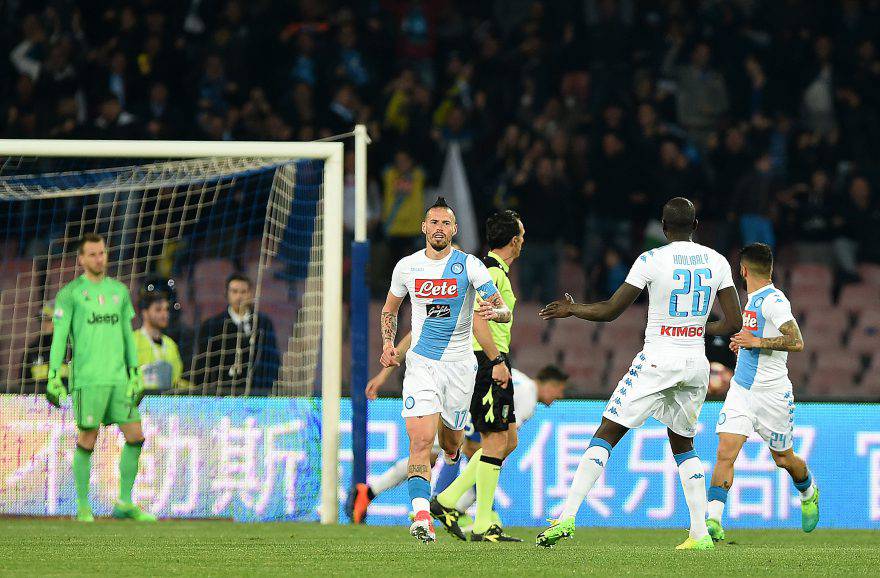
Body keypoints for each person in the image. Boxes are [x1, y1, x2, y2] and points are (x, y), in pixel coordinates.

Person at [536, 197, 742, 550]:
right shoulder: (717, 261)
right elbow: (734, 322)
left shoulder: (651, 259)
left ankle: (567, 515)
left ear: (663, 227)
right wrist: (695, 328)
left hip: (658, 359)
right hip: (695, 364)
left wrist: (573, 308)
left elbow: (610, 311)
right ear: (696, 226)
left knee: (608, 430)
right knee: (683, 443)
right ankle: (699, 532)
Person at [378, 196, 510, 543]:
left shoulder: (469, 266)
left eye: (446, 223)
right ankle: (422, 516)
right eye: (433, 222)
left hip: (460, 369)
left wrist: (495, 313)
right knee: (420, 441)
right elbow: (390, 309)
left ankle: (451, 451)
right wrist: (388, 345)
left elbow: (502, 309)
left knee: (450, 441)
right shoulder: (407, 267)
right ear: (424, 227)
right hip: (421, 365)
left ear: (455, 229)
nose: (439, 228)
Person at [348, 355, 566, 528]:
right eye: (560, 390)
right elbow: (500, 440)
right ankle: (447, 508)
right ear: (550, 384)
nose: (559, 397)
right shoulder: (528, 397)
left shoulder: (519, 379)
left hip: (459, 401)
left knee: (431, 457)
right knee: (487, 462)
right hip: (465, 412)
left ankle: (370, 493)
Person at [706, 243, 819, 541]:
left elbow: (796, 341)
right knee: (725, 452)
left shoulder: (774, 301)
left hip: (772, 394)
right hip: (742, 389)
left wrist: (756, 343)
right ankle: (713, 521)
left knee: (783, 459)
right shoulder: (751, 299)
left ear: (742, 270)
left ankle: (808, 490)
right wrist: (743, 343)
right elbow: (756, 336)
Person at [45, 233, 155, 522]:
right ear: (81, 259)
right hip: (89, 379)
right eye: (92, 254)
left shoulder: (119, 291)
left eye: (102, 253)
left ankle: (125, 503)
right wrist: (54, 374)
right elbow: (59, 339)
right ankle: (83, 506)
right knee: (87, 437)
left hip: (118, 379)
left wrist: (135, 372)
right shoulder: (70, 294)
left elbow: (127, 337)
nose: (99, 258)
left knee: (136, 435)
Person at [431, 209, 525, 542]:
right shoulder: (491, 274)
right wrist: (496, 360)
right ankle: (482, 521)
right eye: (522, 236)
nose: (522, 241)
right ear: (514, 241)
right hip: (485, 360)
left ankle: (447, 499)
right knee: (494, 441)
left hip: (492, 360)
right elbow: (478, 321)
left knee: (507, 441)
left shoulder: (492, 271)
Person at [194, 273, 280, 395]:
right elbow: (202, 365)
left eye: (243, 292)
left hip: (256, 396)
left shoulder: (263, 324)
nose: (239, 296)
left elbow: (273, 361)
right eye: (234, 291)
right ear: (227, 294)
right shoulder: (212, 326)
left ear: (250, 294)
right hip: (221, 396)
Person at [134, 290, 188, 391]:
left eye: (166, 309)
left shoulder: (170, 344)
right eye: (158, 310)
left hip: (166, 404)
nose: (164, 314)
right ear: (145, 313)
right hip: (140, 402)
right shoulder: (133, 341)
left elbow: (176, 380)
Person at [20, 301, 68, 394]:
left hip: (66, 402)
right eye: (41, 320)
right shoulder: (33, 351)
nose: (44, 324)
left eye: (48, 320)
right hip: (37, 405)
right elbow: (23, 384)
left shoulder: (71, 350)